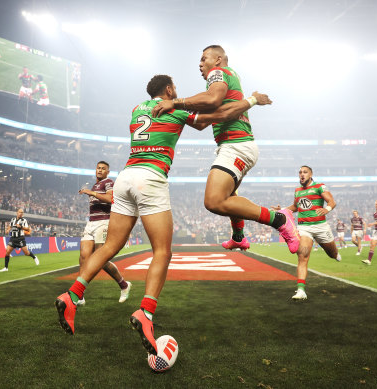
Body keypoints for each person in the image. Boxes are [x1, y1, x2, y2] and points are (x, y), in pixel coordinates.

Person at [55, 74, 272, 358]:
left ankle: (71, 295)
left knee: (110, 246)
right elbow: (210, 118)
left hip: (125, 177)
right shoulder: (177, 108)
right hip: (151, 178)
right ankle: (146, 312)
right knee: (162, 251)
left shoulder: (136, 109)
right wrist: (250, 101)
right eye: (175, 89)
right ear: (169, 89)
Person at [151, 44, 299, 254]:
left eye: (204, 59)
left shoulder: (217, 73)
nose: (200, 64)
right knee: (229, 195)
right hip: (234, 145)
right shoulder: (229, 77)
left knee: (213, 201)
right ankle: (238, 236)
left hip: (236, 145)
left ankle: (280, 219)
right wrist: (178, 112)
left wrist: (175, 103)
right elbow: (203, 122)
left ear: (218, 59)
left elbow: (212, 100)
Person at [281, 166, 341, 300]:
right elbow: (296, 207)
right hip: (304, 227)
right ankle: (301, 290)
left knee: (332, 254)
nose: (302, 175)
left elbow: (332, 201)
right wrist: (283, 210)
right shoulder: (297, 191)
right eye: (300, 172)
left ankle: (336, 253)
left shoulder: (320, 186)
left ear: (311, 174)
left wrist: (327, 209)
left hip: (321, 226)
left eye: (305, 172)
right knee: (302, 256)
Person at [77, 161, 132, 305]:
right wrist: (92, 191)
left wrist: (91, 192)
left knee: (100, 258)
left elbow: (110, 199)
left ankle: (124, 285)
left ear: (107, 172)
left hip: (103, 222)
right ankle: (79, 294)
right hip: (91, 223)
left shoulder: (108, 182)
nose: (100, 170)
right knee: (83, 257)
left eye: (103, 169)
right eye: (98, 168)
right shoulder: (96, 184)